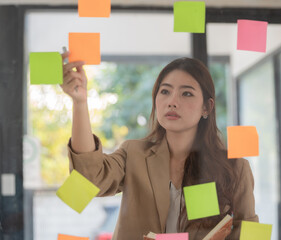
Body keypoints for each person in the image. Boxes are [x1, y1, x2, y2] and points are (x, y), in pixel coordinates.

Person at [60, 53, 259, 240]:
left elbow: (250, 234)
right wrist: (80, 102)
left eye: (186, 94)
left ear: (206, 107)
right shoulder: (133, 154)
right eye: (165, 91)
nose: (172, 102)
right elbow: (88, 179)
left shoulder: (235, 167)